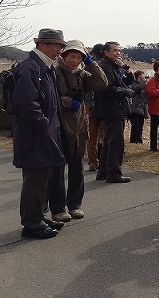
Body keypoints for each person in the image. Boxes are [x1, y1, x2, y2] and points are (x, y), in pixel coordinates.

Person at [11, 28, 67, 239]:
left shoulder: (43, 66)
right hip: (35, 134)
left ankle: (37, 217)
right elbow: (24, 102)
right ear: (42, 44)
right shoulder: (31, 67)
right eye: (57, 46)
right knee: (35, 179)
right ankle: (32, 223)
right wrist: (43, 124)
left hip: (42, 133)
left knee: (41, 178)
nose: (59, 51)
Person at [51, 40, 108, 221]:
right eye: (71, 56)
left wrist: (91, 62)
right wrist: (69, 102)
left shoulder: (81, 73)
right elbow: (51, 98)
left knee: (77, 169)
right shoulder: (55, 72)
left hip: (79, 128)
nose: (74, 60)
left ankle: (74, 205)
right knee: (57, 170)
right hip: (60, 127)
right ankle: (58, 209)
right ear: (64, 55)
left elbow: (101, 83)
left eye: (79, 57)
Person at [93, 41, 135, 183]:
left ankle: (103, 172)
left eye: (119, 50)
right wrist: (127, 92)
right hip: (112, 109)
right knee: (115, 143)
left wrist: (125, 69)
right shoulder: (105, 67)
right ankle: (113, 173)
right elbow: (108, 89)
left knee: (108, 141)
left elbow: (125, 82)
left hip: (112, 108)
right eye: (115, 50)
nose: (118, 53)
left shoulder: (111, 66)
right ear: (106, 52)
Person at [85, 44, 105, 171]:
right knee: (104, 134)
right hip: (103, 104)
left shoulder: (88, 65)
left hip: (89, 103)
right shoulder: (106, 65)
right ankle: (103, 161)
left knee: (92, 135)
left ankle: (93, 161)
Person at [145, 61, 159, 152]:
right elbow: (150, 92)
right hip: (154, 108)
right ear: (156, 70)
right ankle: (153, 146)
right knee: (154, 128)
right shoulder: (152, 80)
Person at [129, 70, 148, 144]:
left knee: (140, 125)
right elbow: (136, 89)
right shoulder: (134, 84)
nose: (143, 76)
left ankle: (139, 139)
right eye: (142, 74)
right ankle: (135, 139)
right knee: (135, 125)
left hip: (142, 108)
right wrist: (143, 82)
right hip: (135, 108)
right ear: (138, 76)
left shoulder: (143, 85)